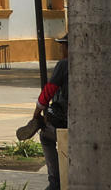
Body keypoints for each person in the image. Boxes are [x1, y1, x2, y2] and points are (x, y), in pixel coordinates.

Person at [18, 34, 67, 190]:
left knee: (45, 136)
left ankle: (55, 182)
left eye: (63, 46)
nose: (61, 49)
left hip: (65, 120)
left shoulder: (64, 64)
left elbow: (48, 91)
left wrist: (35, 114)